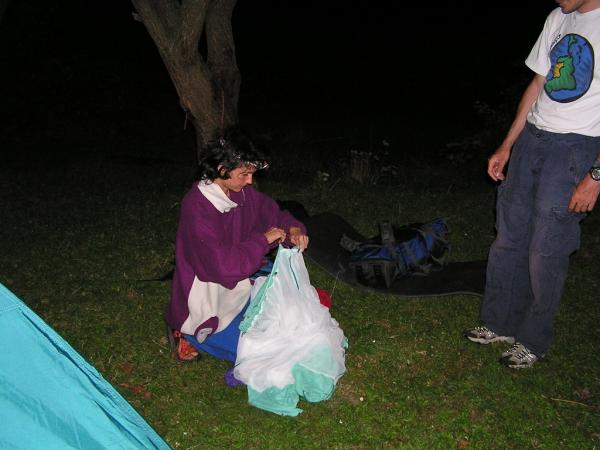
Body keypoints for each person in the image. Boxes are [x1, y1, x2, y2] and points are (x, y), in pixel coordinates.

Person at [465, 0, 600, 368]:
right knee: (508, 238)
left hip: (575, 148)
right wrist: (507, 145)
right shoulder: (558, 17)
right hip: (532, 139)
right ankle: (499, 323)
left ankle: (533, 340)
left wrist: (595, 176)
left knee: (547, 248)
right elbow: (539, 81)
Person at [165, 127, 309, 364]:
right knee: (257, 353)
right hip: (205, 297)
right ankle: (183, 330)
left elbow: (273, 214)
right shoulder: (197, 208)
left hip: (237, 287)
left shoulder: (241, 193)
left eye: (251, 173)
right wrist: (262, 241)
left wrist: (293, 229)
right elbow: (221, 267)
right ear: (222, 169)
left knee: (286, 325)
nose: (250, 180)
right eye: (244, 174)